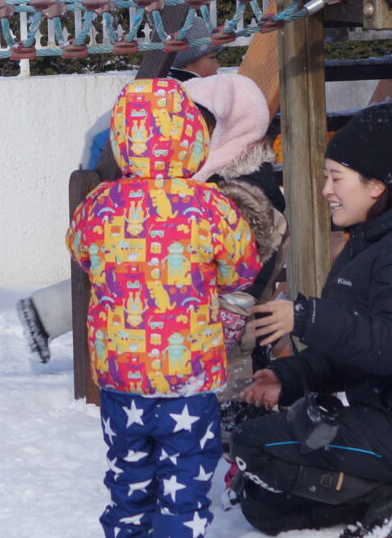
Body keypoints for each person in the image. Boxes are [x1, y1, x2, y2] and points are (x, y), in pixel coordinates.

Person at [225, 103, 392, 538]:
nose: (326, 190)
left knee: (254, 447)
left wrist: (306, 316)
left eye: (336, 177)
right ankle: (387, 498)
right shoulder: (370, 244)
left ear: (376, 186)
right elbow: (354, 353)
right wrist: (287, 378)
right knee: (260, 501)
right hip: (387, 421)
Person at [68, 78, 260, 538]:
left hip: (121, 378)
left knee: (128, 483)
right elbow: (242, 269)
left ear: (121, 139)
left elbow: (81, 253)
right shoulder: (211, 207)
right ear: (192, 136)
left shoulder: (99, 205)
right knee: (185, 489)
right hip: (189, 380)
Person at [18, 46, 285, 365]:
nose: (217, 65)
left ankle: (47, 310)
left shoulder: (226, 179)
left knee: (132, 269)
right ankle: (48, 310)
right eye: (211, 58)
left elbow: (245, 267)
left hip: (188, 328)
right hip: (197, 330)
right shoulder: (187, 119)